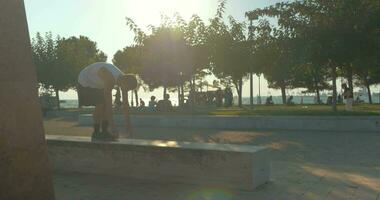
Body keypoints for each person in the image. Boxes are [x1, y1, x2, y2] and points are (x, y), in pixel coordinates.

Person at [78, 62, 137, 141]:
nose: (126, 91)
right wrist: (112, 126)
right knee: (101, 105)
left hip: (99, 83)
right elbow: (109, 106)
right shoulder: (110, 79)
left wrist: (128, 124)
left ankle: (105, 132)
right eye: (127, 89)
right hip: (85, 80)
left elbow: (125, 105)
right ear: (124, 82)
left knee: (104, 105)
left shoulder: (123, 79)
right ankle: (96, 132)